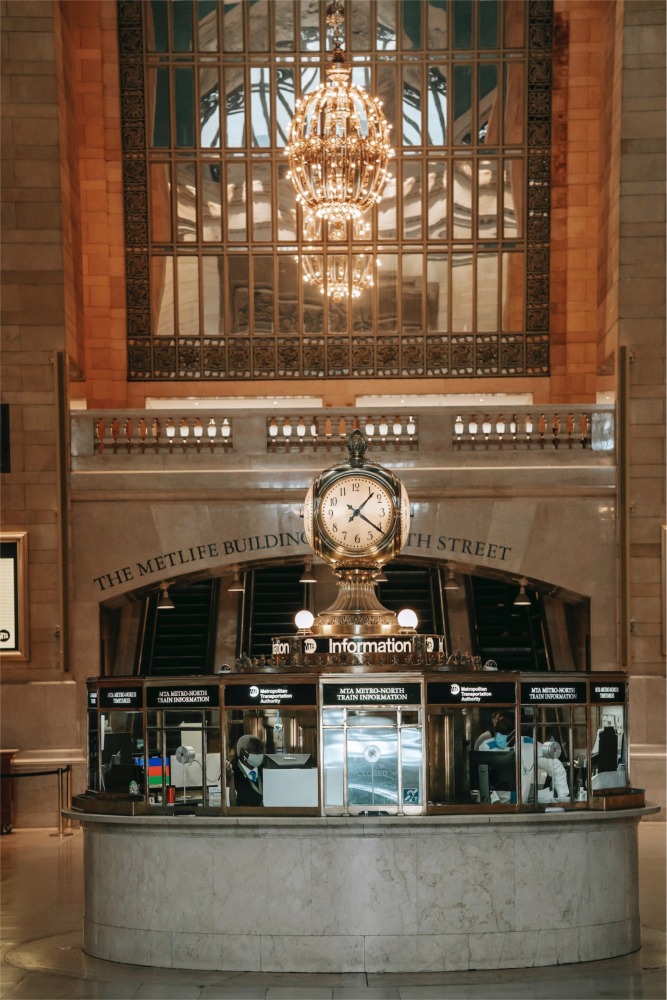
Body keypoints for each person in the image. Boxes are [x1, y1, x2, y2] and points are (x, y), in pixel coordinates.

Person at [478, 713, 570, 803]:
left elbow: (556, 767)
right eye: (498, 732)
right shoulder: (486, 747)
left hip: (520, 808)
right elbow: (482, 778)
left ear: (515, 732)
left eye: (504, 733)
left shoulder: (530, 745)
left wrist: (563, 797)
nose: (499, 736)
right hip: (494, 808)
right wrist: (494, 801)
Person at [226, 734, 265, 806]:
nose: (260, 753)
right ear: (243, 753)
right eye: (256, 750)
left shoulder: (265, 768)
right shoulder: (231, 771)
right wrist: (230, 778)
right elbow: (231, 805)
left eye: (261, 749)